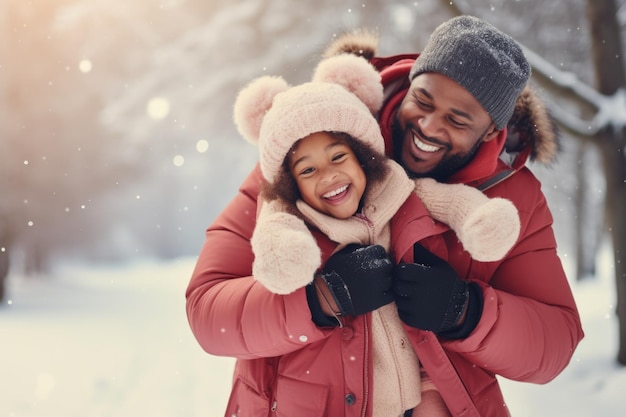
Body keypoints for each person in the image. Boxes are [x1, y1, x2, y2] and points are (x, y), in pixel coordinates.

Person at [186, 15, 584, 417]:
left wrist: (464, 311)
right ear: (412, 82)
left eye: (457, 120)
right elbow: (207, 312)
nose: (428, 126)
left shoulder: (512, 196)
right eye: (423, 101)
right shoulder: (314, 143)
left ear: (489, 132)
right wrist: (319, 299)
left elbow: (555, 341)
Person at [231, 53, 520, 417]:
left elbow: (447, 200)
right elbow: (272, 238)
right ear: (289, 183)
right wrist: (319, 292)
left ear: (363, 155)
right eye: (307, 170)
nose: (328, 175)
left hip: (418, 386)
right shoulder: (291, 213)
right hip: (340, 396)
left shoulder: (396, 189)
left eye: (339, 157)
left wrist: (479, 221)